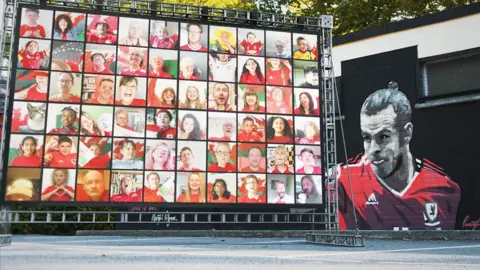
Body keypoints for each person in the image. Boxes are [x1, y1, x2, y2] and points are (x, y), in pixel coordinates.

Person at [338, 88, 461, 230]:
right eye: (367, 138)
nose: (373, 149)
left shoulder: (445, 189)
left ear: (406, 134)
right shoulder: (342, 182)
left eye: (383, 137)